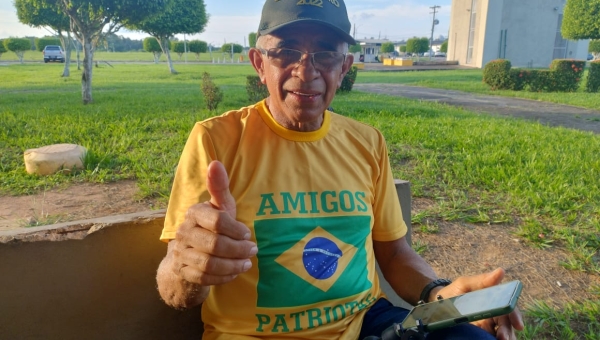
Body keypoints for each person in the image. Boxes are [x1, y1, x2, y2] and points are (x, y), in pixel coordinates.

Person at [156, 0, 524, 339]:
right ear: (258, 63)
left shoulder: (366, 142)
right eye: (286, 52)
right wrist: (185, 267)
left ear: (344, 68)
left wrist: (439, 292)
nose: (306, 70)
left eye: (326, 55)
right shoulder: (215, 141)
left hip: (368, 324)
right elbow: (176, 290)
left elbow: (394, 254)